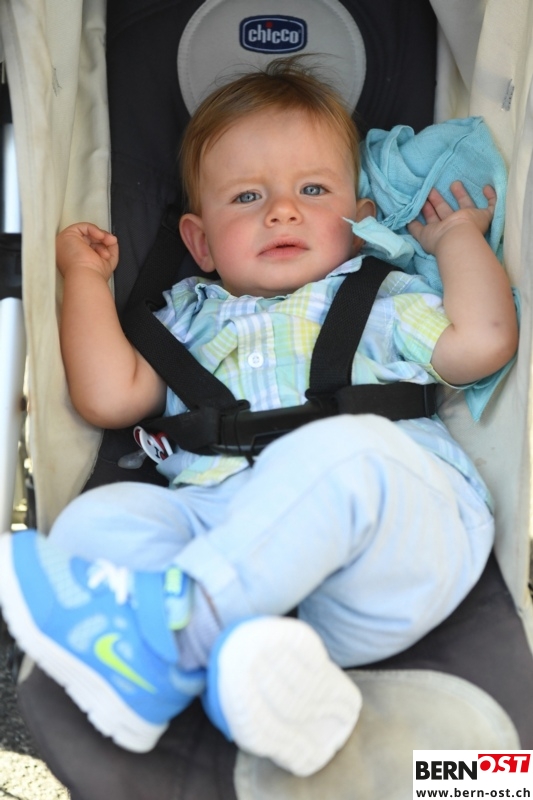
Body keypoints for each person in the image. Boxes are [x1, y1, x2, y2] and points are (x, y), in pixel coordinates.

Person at [0, 59, 518, 777]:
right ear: (200, 243)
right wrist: (84, 280)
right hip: (233, 534)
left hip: (390, 548)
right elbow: (109, 398)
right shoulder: (185, 317)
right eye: (247, 196)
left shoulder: (382, 297)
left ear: (359, 219)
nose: (281, 211)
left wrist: (455, 237)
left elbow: (484, 342)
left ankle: (173, 637)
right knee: (101, 521)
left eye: (313, 190)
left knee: (344, 455)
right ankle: (259, 686)